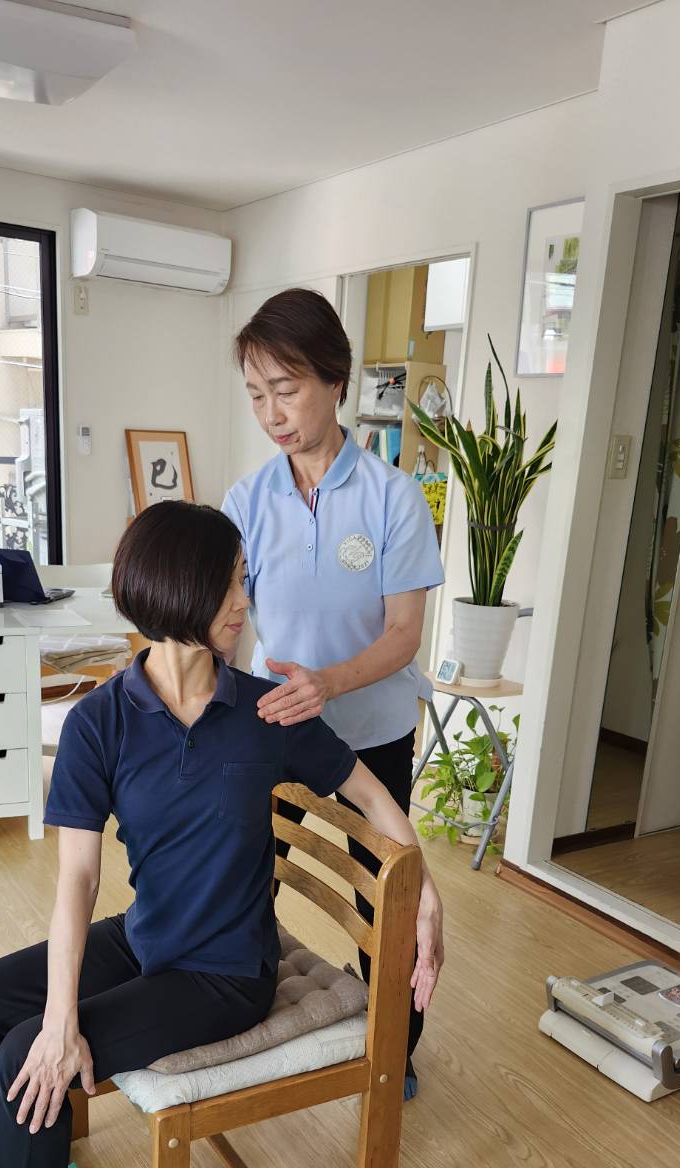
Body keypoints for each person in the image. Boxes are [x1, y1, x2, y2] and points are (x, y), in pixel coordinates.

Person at [0, 501, 443, 1168]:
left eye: (244, 580)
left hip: (225, 976)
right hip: (147, 940)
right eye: (231, 584)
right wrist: (61, 1017)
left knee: (23, 1056)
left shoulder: (265, 712)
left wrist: (427, 889)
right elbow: (77, 880)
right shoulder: (100, 722)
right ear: (181, 593)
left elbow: (368, 790)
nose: (246, 601)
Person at [222, 287, 446, 1096]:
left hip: (373, 733)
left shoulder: (394, 498)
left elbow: (404, 633)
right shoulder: (248, 501)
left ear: (335, 379)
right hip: (276, 727)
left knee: (384, 896)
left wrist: (329, 682)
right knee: (244, 878)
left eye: (285, 390)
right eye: (257, 395)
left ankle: (394, 1047)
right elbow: (229, 622)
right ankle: (233, 1009)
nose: (271, 414)